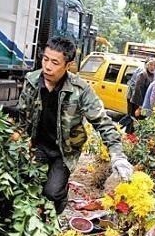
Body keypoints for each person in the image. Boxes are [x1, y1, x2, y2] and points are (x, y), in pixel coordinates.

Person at [17, 36, 133, 214]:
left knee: (52, 192)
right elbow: (22, 115)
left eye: (55, 62)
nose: (47, 66)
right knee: (29, 188)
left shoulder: (81, 90)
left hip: (63, 151)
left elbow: (102, 122)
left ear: (68, 65)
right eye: (45, 59)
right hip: (36, 145)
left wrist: (117, 155)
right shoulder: (31, 80)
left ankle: (59, 201)